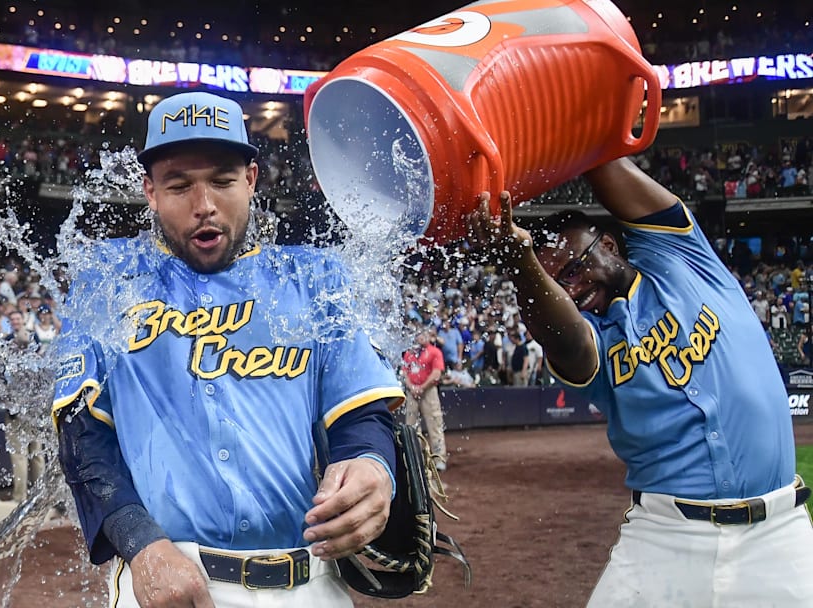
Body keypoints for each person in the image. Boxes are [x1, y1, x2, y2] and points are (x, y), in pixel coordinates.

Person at [54, 91, 404, 608]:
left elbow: (360, 417)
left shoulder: (315, 277)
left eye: (222, 180)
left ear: (252, 180)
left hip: (309, 582)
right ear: (149, 192)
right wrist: (141, 544)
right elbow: (82, 439)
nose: (205, 206)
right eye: (178, 185)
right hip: (172, 578)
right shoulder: (108, 279)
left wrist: (372, 465)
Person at [466, 157, 813, 606]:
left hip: (778, 535)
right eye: (557, 283)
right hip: (665, 536)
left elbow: (603, 162)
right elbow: (568, 342)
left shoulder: (685, 261)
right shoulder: (593, 339)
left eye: (571, 270)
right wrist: (521, 263)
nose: (569, 290)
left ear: (608, 244)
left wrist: (571, 127)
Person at [400, 326, 448, 471]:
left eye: (423, 334)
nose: (421, 337)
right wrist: (412, 387)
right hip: (412, 392)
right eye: (419, 334)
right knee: (411, 426)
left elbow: (436, 373)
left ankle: (439, 458)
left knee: (435, 424)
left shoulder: (435, 352)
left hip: (429, 391)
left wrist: (421, 387)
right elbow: (404, 374)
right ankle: (414, 458)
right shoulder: (409, 354)